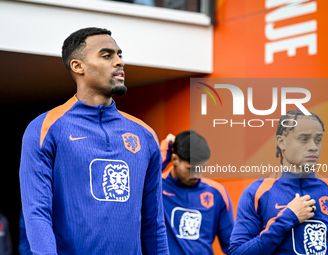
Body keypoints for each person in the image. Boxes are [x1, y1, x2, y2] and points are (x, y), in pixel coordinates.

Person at [19, 27, 169, 255]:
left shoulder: (145, 135)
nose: (119, 62)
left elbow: (153, 221)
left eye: (120, 55)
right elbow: (37, 213)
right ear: (78, 66)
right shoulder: (44, 129)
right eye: (107, 55)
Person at [229, 110, 328, 254]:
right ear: (282, 142)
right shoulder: (257, 192)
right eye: (303, 139)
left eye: (318, 140)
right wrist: (288, 218)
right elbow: (237, 253)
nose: (314, 147)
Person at [161, 130, 234, 255]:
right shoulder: (157, 186)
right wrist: (164, 151)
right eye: (191, 169)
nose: (197, 174)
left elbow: (232, 246)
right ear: (174, 159)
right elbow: (140, 178)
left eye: (201, 167)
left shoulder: (217, 192)